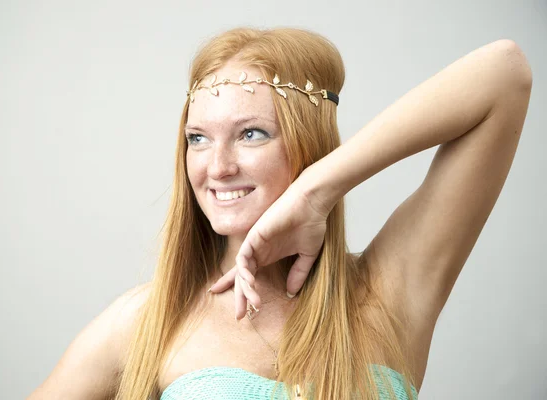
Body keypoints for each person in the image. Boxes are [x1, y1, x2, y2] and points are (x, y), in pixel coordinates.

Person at [28, 27, 532, 400]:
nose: (218, 167)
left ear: (309, 146)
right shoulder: (147, 321)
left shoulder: (388, 295)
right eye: (198, 139)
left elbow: (504, 75)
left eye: (252, 134)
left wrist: (317, 190)